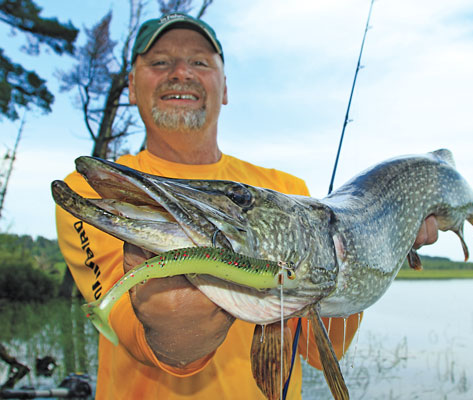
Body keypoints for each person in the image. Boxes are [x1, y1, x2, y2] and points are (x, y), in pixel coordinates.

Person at [55, 13, 439, 399]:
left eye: (200, 62)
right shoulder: (96, 192)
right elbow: (151, 339)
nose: (181, 72)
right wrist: (175, 322)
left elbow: (323, 351)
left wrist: (372, 245)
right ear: (132, 87)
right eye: (159, 62)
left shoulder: (290, 190)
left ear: (224, 88)